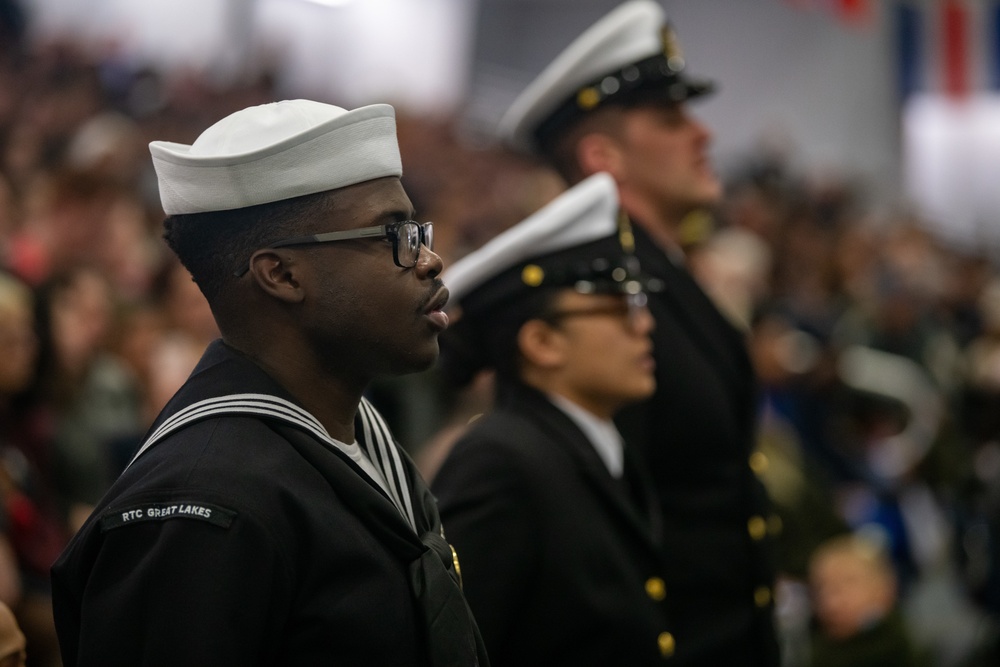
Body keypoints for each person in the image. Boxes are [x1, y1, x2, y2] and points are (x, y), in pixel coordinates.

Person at [50, 99, 488, 666]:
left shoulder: (350, 433)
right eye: (391, 234)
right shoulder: (202, 507)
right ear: (281, 274)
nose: (429, 260)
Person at [498, 2, 779, 664]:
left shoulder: (663, 278)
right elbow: (610, 535)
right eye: (672, 120)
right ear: (604, 157)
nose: (704, 136)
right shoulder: (607, 306)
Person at [432, 172, 673, 665]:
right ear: (542, 343)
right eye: (618, 307)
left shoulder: (593, 443)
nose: (644, 323)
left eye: (640, 302)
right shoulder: (501, 462)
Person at [807, 534, 927, 667]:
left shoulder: (899, 649)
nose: (831, 602)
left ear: (884, 587)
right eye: (821, 589)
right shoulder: (817, 650)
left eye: (848, 583)